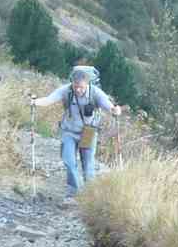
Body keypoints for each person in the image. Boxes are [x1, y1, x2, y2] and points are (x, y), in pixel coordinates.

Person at [31, 69, 120, 198]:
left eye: (81, 87)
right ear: (72, 83)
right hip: (69, 131)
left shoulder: (95, 93)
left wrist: (114, 110)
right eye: (75, 86)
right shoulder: (66, 91)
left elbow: (108, 106)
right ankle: (75, 192)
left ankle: (90, 196)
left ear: (87, 84)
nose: (78, 90)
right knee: (68, 161)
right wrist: (35, 102)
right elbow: (49, 100)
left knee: (88, 165)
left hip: (88, 132)